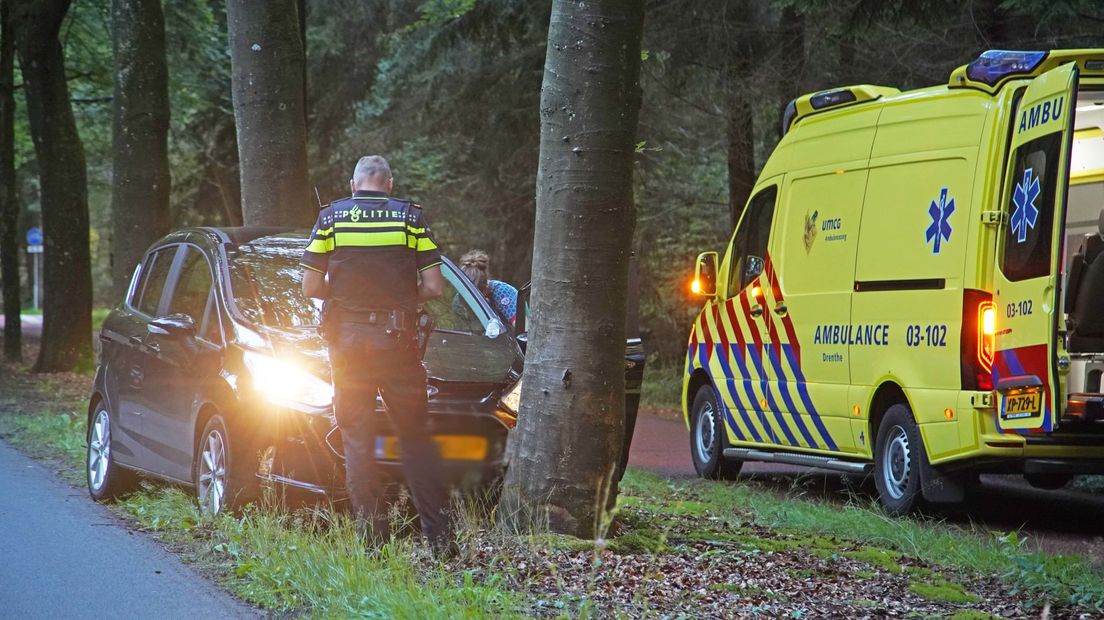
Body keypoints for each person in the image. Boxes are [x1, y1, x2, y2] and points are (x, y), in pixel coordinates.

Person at [300, 155, 455, 557]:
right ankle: (441, 542)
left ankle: (373, 543)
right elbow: (435, 287)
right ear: (389, 183)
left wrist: (348, 299)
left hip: (348, 345)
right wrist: (399, 300)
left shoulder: (331, 219)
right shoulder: (409, 219)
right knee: (416, 438)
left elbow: (310, 286)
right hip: (397, 341)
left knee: (357, 440)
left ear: (354, 185)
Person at [458, 249, 518, 325]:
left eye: (478, 297)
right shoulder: (458, 300)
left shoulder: (502, 292)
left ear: (486, 289)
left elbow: (522, 328)